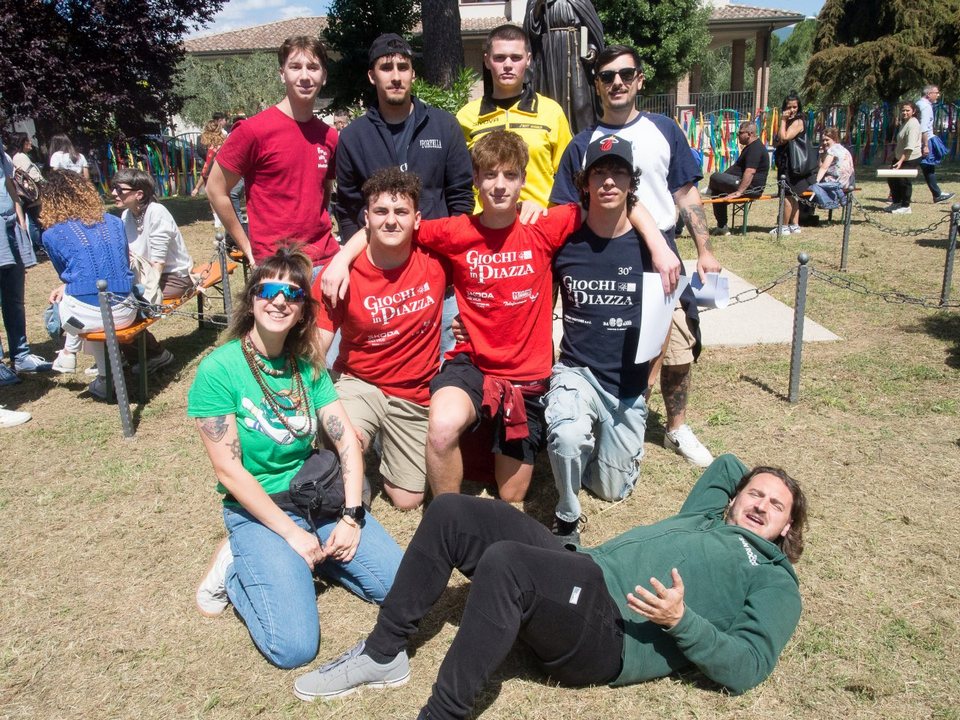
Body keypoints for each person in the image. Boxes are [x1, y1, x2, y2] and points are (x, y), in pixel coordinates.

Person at [292, 454, 809, 717]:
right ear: (734, 498)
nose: (760, 505)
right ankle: (383, 653)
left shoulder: (773, 578)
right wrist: (748, 488)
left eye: (776, 506)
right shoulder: (709, 515)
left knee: (507, 564)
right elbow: (728, 465)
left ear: (788, 527)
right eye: (754, 494)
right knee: (451, 512)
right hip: (581, 566)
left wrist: (682, 621)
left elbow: (749, 666)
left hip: (611, 634)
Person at [322, 130, 678, 504]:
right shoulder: (457, 231)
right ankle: (448, 514)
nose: (499, 185)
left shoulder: (544, 224)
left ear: (523, 180)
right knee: (441, 426)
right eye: (490, 175)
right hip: (471, 366)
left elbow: (615, 201)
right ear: (476, 180)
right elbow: (391, 224)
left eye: (510, 175)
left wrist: (658, 244)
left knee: (512, 494)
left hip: (527, 378)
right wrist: (342, 258)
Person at [188, 247, 403, 669]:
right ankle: (234, 570)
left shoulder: (307, 366)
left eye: (293, 293)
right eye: (269, 290)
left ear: (303, 310)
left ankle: (317, 557)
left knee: (399, 587)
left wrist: (352, 516)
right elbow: (229, 471)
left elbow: (346, 441)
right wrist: (291, 534)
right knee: (294, 648)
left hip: (315, 496)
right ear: (252, 298)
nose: (280, 300)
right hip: (259, 509)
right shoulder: (219, 370)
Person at [551, 44, 718, 468]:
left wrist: (705, 250)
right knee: (610, 342)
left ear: (640, 80)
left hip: (662, 256)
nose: (617, 83)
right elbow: (567, 206)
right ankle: (609, 418)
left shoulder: (664, 130)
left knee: (677, 345)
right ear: (597, 85)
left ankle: (676, 426)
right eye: (607, 76)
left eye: (626, 74)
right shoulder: (582, 143)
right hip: (604, 253)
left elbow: (685, 193)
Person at [546, 134, 665, 543]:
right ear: (585, 183)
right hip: (577, 370)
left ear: (632, 182)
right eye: (599, 173)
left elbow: (664, 315)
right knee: (567, 436)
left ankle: (593, 442)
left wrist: (652, 376)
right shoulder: (566, 244)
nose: (609, 181)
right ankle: (566, 516)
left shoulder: (651, 248)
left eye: (618, 173)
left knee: (611, 489)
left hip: (626, 384)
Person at [316, 168, 449, 510]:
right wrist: (324, 410)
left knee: (408, 500)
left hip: (413, 393)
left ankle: (382, 441)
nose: (391, 220)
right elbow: (316, 349)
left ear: (417, 220)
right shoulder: (340, 275)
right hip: (360, 381)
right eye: (381, 211)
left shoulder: (436, 260)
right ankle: (350, 448)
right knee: (342, 434)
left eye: (401, 211)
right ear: (367, 218)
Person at [334, 33, 473, 358]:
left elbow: (461, 200)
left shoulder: (444, 127)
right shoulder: (354, 137)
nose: (395, 76)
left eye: (403, 67)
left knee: (448, 369)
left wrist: (452, 266)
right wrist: (363, 269)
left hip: (440, 282)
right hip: (382, 285)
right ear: (372, 75)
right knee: (388, 369)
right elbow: (349, 209)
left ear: (413, 74)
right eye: (386, 68)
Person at [206, 36, 338, 269]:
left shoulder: (329, 136)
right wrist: (248, 248)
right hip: (276, 266)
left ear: (324, 76)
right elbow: (215, 189)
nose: (305, 76)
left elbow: (323, 194)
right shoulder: (253, 131)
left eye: (313, 67)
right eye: (295, 67)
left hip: (324, 262)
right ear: (282, 74)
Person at [39, 170, 137, 399]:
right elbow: (123, 263)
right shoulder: (115, 222)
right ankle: (103, 377)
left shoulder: (52, 234)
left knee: (63, 308)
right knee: (93, 312)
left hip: (86, 316)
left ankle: (69, 352)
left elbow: (65, 274)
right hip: (126, 309)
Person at [456, 24, 572, 210]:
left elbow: (569, 175)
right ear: (487, 60)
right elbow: (459, 180)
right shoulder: (466, 116)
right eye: (499, 58)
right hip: (485, 223)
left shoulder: (551, 112)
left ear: (528, 60)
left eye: (516, 57)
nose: (508, 65)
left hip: (539, 221)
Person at [111, 168, 194, 373]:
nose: (113, 193)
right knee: (114, 302)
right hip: (144, 276)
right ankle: (127, 353)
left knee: (128, 307)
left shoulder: (157, 212)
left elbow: (158, 261)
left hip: (173, 277)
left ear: (139, 194)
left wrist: (146, 296)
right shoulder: (126, 215)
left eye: (119, 190)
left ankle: (155, 355)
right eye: (113, 188)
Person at [1, 137, 51, 378]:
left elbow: (11, 188)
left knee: (14, 299)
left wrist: (20, 222)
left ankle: (20, 356)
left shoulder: (4, 156)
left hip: (9, 230)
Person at [523, 0, 604, 134]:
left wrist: (592, 49)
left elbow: (590, 28)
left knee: (581, 103)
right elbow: (528, 32)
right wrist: (538, 7)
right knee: (549, 99)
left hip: (576, 55)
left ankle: (583, 139)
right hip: (548, 55)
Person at [706, 121, 769, 235]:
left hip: (751, 188)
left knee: (715, 176)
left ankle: (710, 189)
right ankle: (722, 227)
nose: (737, 135)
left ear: (749, 134)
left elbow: (750, 172)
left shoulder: (755, 148)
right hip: (742, 184)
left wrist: (739, 191)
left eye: (740, 133)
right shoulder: (749, 147)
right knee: (717, 193)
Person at [770, 93, 816, 234]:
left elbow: (784, 137)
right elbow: (777, 141)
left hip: (791, 165)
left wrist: (783, 120)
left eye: (795, 107)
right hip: (786, 163)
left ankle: (783, 227)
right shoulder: (789, 122)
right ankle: (794, 225)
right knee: (792, 195)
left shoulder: (798, 121)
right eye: (789, 107)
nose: (792, 110)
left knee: (787, 196)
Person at [916, 84, 954, 205]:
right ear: (929, 94)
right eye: (936, 93)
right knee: (926, 166)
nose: (938, 95)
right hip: (925, 140)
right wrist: (926, 145)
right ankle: (937, 195)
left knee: (926, 167)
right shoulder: (925, 107)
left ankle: (937, 194)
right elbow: (924, 127)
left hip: (922, 139)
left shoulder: (919, 104)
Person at [9, 132, 45, 251]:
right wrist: (43, 182)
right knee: (35, 221)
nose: (30, 143)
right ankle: (39, 246)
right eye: (27, 141)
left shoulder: (15, 156)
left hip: (23, 194)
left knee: (32, 220)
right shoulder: (21, 157)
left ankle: (35, 246)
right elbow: (32, 175)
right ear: (22, 143)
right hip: (30, 194)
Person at [886, 101, 922, 215]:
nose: (905, 112)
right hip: (899, 156)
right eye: (903, 110)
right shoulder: (904, 122)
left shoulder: (913, 124)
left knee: (903, 180)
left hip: (910, 157)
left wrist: (901, 161)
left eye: (908, 110)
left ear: (914, 111)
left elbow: (910, 146)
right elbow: (901, 142)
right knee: (892, 178)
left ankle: (906, 206)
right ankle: (896, 202)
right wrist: (894, 154)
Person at [809, 127, 855, 211]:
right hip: (848, 183)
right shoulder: (842, 149)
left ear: (834, 139)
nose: (824, 142)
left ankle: (828, 203)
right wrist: (821, 153)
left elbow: (823, 168)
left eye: (827, 140)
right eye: (823, 140)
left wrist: (816, 181)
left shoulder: (832, 150)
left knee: (812, 186)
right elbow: (821, 165)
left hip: (837, 182)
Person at [190, 120, 226, 198]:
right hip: (225, 177)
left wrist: (197, 188)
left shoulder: (212, 149)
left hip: (213, 177)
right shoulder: (225, 143)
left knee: (214, 200)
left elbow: (206, 168)